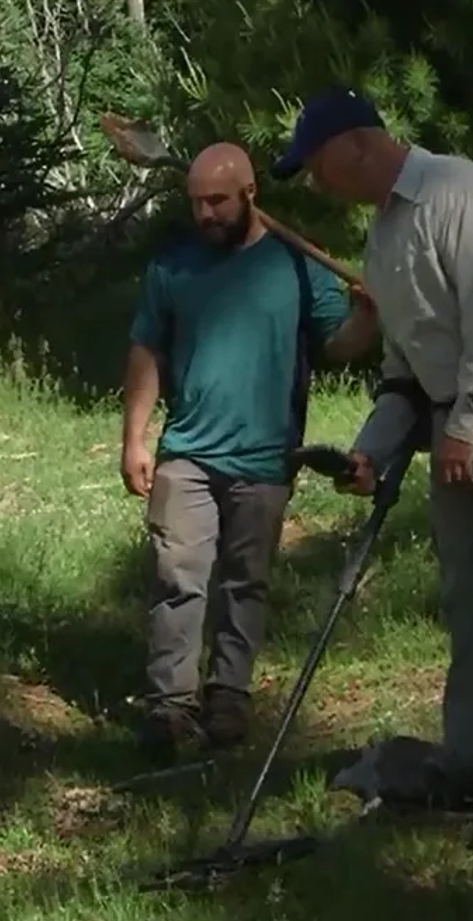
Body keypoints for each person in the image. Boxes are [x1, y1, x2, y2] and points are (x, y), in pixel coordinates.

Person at [268, 88, 473, 847]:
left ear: (355, 145)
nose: (316, 186)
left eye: (316, 167)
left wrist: (468, 427)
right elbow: (405, 370)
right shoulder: (384, 237)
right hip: (454, 428)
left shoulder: (461, 195)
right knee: (468, 598)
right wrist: (371, 452)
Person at [121, 142, 377, 764]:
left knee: (245, 584)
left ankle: (228, 696)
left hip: (267, 457)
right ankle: (170, 705)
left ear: (249, 194)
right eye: (196, 203)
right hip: (188, 451)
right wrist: (135, 435)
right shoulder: (174, 267)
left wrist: (369, 315)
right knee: (176, 577)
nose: (204, 214)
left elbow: (338, 345)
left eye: (217, 201)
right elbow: (146, 350)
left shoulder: (295, 266)